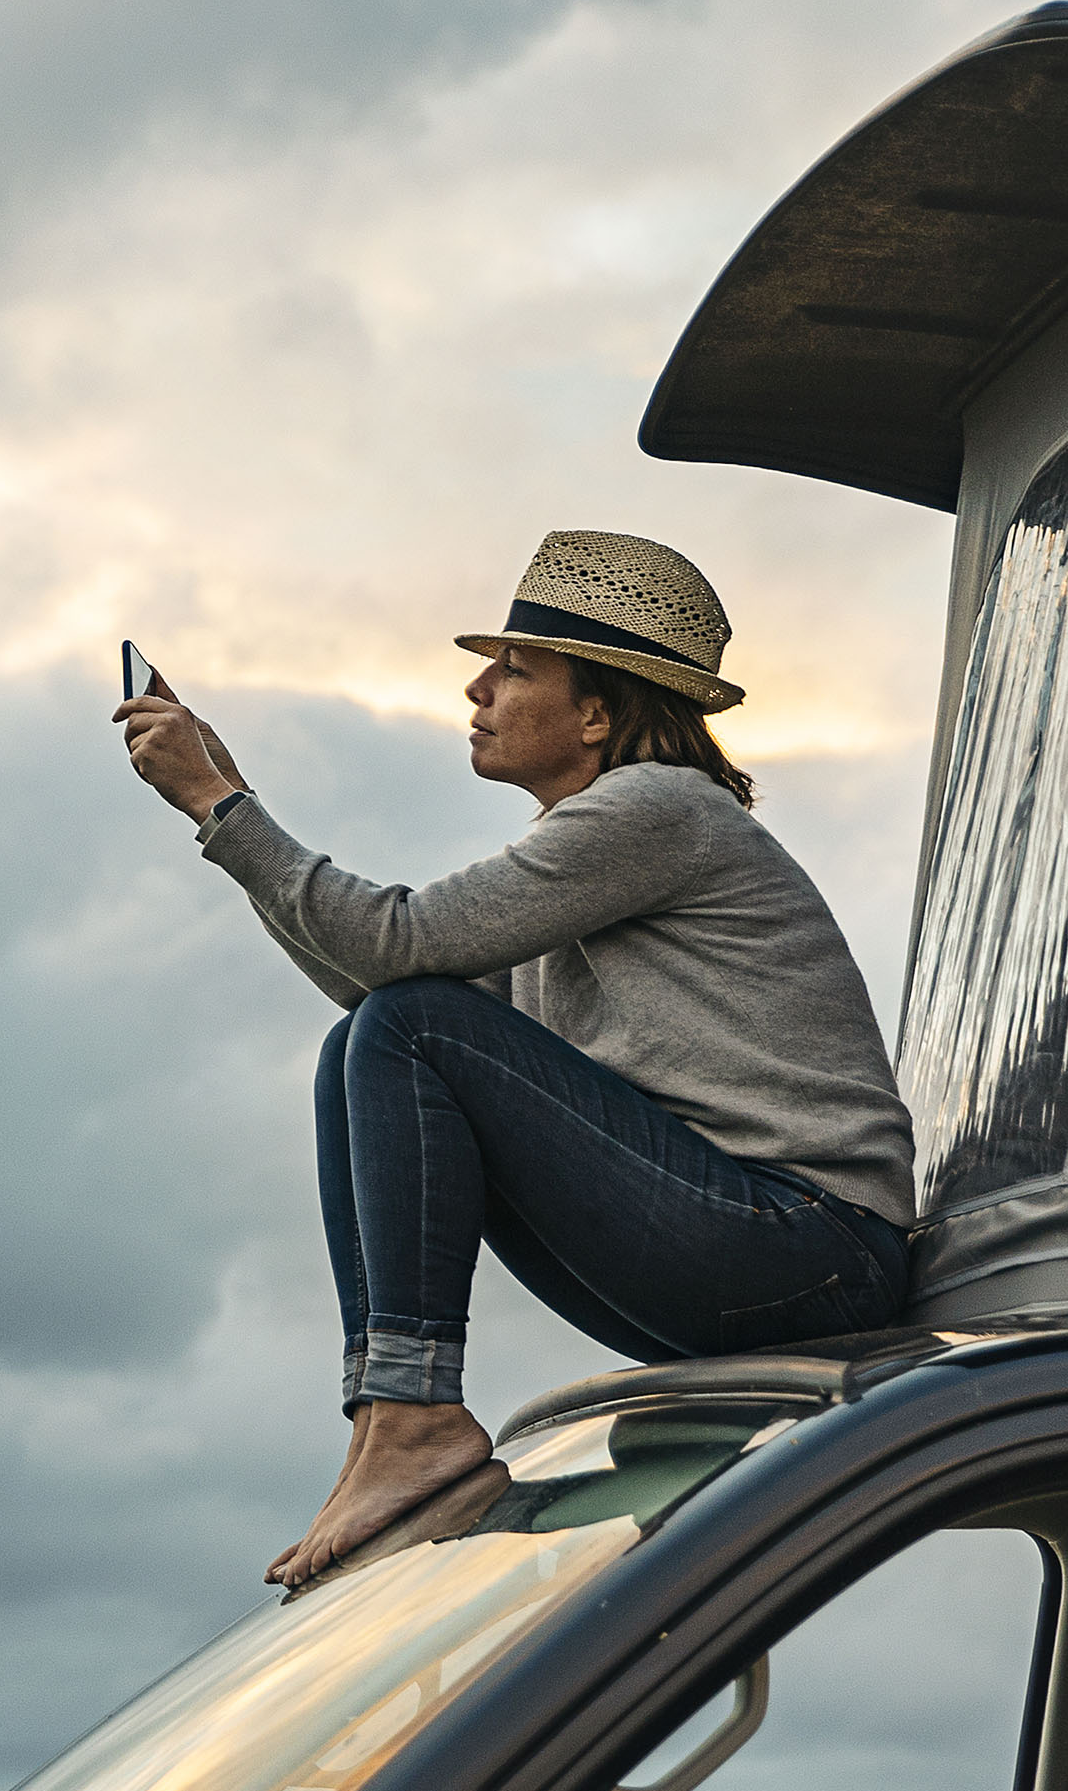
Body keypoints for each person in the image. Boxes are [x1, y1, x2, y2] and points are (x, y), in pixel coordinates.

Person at [116, 530, 915, 1591]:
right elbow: (377, 993)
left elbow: (398, 963)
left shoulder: (656, 807)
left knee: (406, 1025)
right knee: (367, 1037)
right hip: (753, 1248)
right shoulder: (590, 856)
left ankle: (413, 1417)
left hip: (809, 1246)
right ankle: (387, 1420)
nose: (477, 687)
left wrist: (220, 808)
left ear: (599, 712)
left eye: (516, 667)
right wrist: (233, 801)